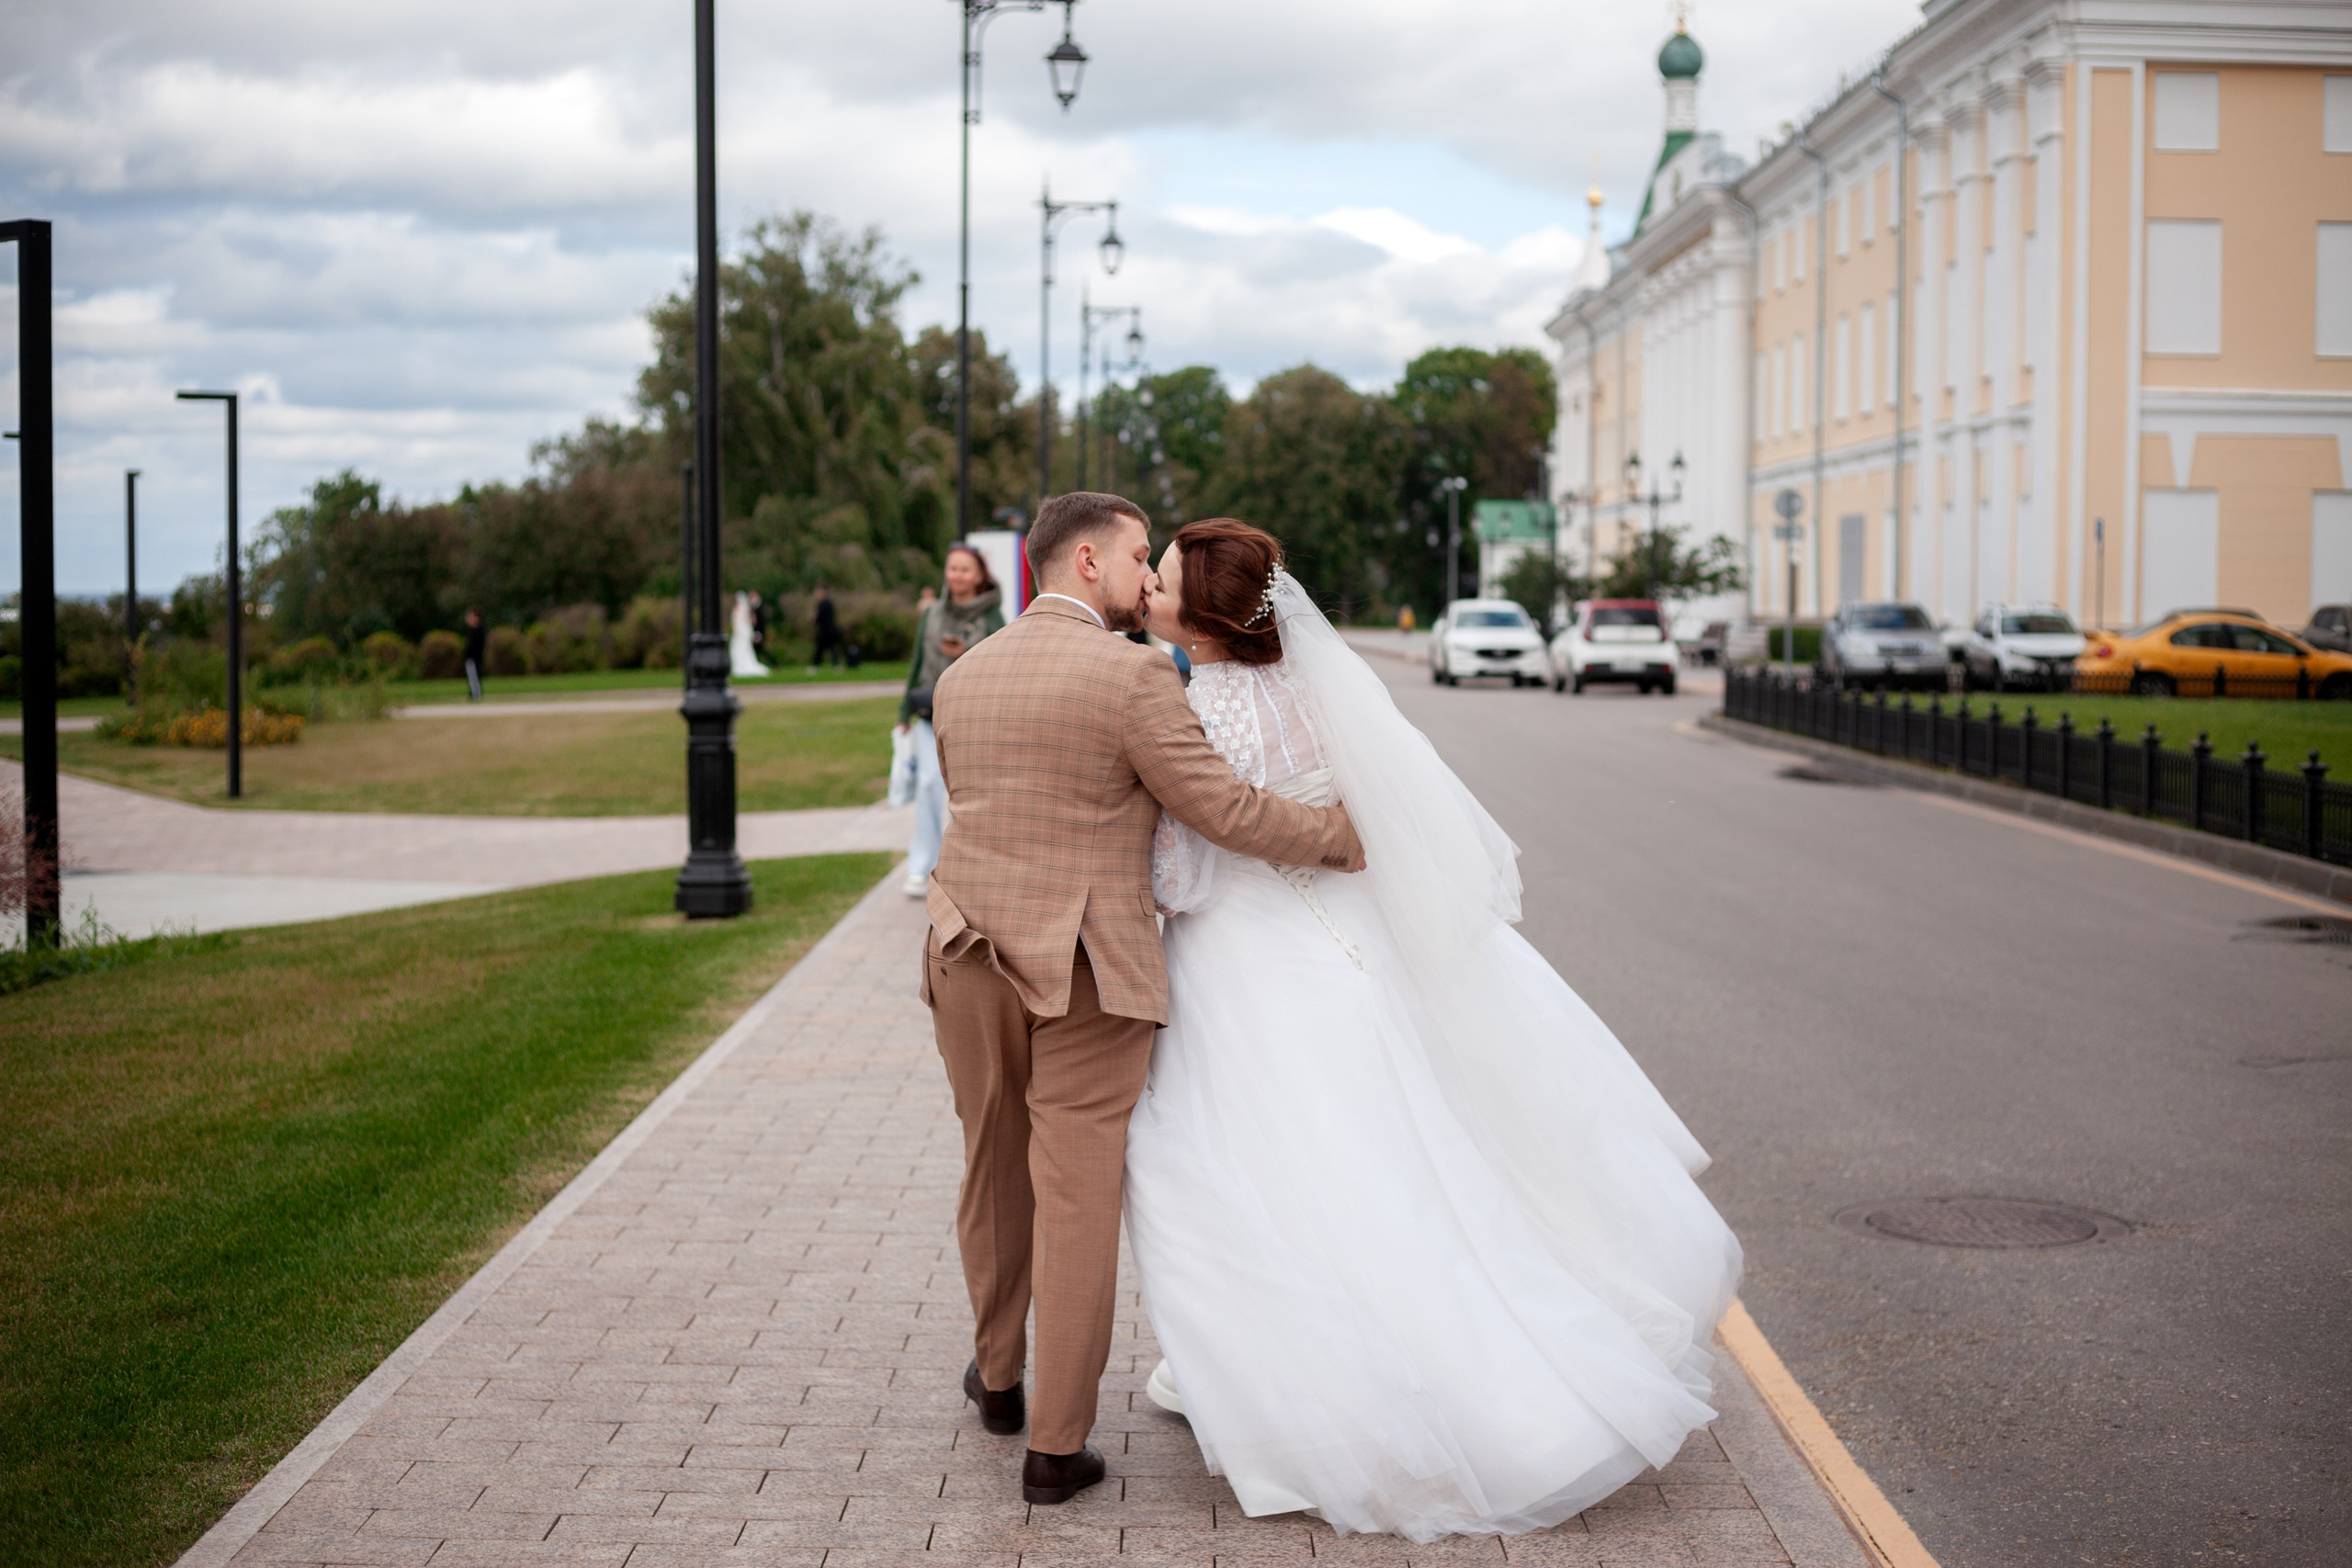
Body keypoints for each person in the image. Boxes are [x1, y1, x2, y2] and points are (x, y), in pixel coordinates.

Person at [1125, 519, 1742, 1541]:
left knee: (1250, 1166)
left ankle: (1296, 1386)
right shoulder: (1315, 695)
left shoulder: (1205, 708)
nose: (1147, 588)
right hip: (1352, 953)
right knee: (1394, 1162)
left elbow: (1184, 874)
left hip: (1246, 963)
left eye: (1163, 579)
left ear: (1205, 619)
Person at [921, 491, 1363, 1508]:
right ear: (1083, 562)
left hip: (963, 952)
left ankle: (996, 1382)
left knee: (990, 1165)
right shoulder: (1129, 676)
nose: (1145, 577)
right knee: (1078, 1195)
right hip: (1083, 969)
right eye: (1134, 556)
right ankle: (1055, 1449)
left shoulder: (963, 674)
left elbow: (972, 806)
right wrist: (1338, 838)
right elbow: (1217, 808)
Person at [898, 544, 1005, 897]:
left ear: (978, 576)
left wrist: (966, 653)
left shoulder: (993, 617)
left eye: (964, 569)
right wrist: (903, 713)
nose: (957, 575)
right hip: (930, 712)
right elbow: (916, 662)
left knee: (973, 795)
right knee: (929, 786)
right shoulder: (932, 614)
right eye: (952, 568)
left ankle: (972, 869)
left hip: (975, 717)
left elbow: (1001, 662)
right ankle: (922, 867)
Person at [810, 582, 844, 670]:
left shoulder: (824, 603)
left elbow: (822, 617)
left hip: (826, 630)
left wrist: (814, 617)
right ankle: (833, 665)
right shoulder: (827, 603)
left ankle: (816, 665)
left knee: (823, 648)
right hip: (829, 629)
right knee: (829, 648)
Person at [461, 607, 486, 703]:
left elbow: (476, 647)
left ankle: (476, 694)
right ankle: (474, 692)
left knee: (475, 676)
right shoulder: (471, 631)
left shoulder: (478, 631)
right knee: (472, 676)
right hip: (471, 658)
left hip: (475, 657)